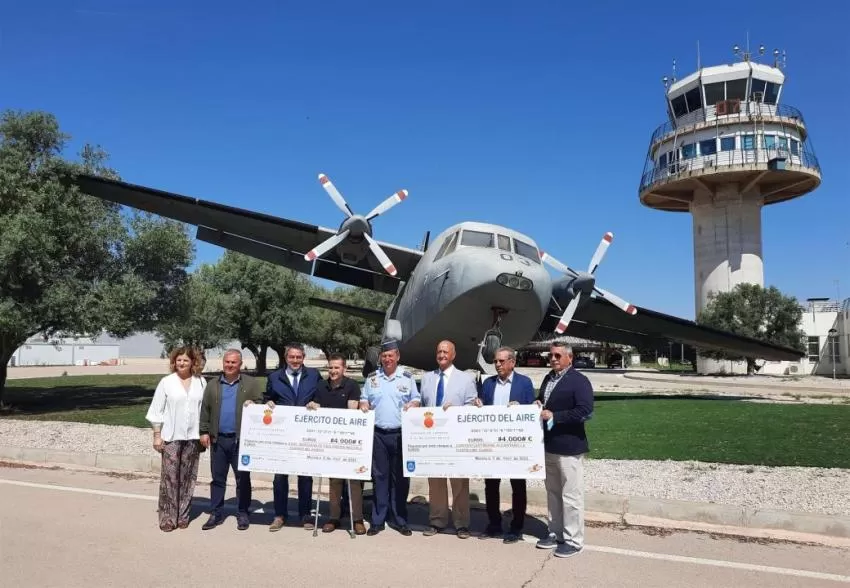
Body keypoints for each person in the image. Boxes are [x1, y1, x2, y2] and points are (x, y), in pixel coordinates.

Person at [535, 343, 593, 558]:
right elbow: (545, 402)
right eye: (551, 355)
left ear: (570, 357)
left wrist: (556, 416)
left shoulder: (579, 380)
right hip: (549, 445)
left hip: (569, 446)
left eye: (558, 355)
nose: (553, 359)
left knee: (571, 495)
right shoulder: (548, 378)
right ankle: (555, 532)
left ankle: (573, 540)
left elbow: (585, 410)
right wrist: (537, 403)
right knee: (553, 493)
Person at [473, 346, 536, 543]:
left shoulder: (524, 383)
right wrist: (478, 404)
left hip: (515, 444)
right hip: (492, 444)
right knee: (491, 485)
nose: (497, 365)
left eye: (501, 361)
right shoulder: (488, 383)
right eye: (495, 361)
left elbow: (532, 411)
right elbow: (481, 406)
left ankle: (516, 527)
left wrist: (522, 408)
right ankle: (494, 524)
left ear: (512, 362)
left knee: (518, 485)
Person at [359, 338, 420, 536]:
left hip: (400, 434)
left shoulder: (407, 377)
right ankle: (378, 520)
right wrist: (363, 404)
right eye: (384, 356)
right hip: (378, 434)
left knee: (400, 479)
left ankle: (399, 519)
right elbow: (364, 398)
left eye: (390, 355)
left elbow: (416, 398)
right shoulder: (372, 378)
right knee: (379, 478)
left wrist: (414, 404)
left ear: (397, 356)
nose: (387, 359)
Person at [198, 348, 263, 531]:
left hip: (240, 440)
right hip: (218, 440)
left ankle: (243, 512)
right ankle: (216, 513)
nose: (230, 365)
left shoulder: (250, 383)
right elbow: (205, 409)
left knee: (243, 479)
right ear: (223, 363)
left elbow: (261, 403)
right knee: (217, 479)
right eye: (227, 362)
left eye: (234, 362)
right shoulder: (213, 384)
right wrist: (204, 431)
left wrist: (254, 404)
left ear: (240, 364)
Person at [419, 340, 478, 539]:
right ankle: (437, 520)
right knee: (435, 482)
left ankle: (462, 523)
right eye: (439, 351)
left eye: (445, 352)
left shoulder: (466, 379)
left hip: (456, 439)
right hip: (433, 438)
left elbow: (472, 407)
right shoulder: (427, 378)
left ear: (453, 355)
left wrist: (456, 410)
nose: (442, 355)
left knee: (459, 482)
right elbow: (422, 406)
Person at [145, 346, 207, 532]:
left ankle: (183, 515)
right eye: (178, 360)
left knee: (188, 478)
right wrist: (157, 435)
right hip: (171, 437)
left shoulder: (200, 382)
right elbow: (156, 410)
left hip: (193, 438)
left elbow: (204, 409)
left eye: (185, 360)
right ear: (174, 362)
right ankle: (168, 517)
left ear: (192, 362)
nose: (181, 363)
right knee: (170, 479)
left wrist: (205, 433)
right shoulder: (167, 382)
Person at [307, 353, 366, 535]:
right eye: (331, 367)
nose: (333, 371)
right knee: (334, 482)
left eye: (337, 367)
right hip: (328, 441)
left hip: (349, 440)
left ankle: (357, 519)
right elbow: (316, 405)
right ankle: (334, 517)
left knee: (354, 481)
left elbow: (352, 409)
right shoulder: (321, 386)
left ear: (344, 369)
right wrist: (313, 406)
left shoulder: (352, 385)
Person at [264, 342, 321, 531]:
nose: (295, 360)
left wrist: (316, 403)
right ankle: (280, 515)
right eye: (291, 357)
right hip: (283, 435)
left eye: (298, 357)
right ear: (286, 358)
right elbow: (267, 398)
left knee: (305, 476)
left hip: (306, 433)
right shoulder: (274, 377)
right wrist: (268, 403)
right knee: (280, 477)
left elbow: (321, 396)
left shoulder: (313, 375)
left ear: (303, 357)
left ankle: (305, 514)